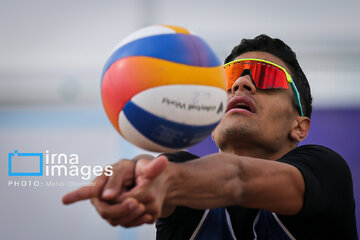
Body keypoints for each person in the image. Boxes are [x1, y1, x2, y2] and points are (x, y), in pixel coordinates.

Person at [62, 35, 358, 239]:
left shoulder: (327, 171)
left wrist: (168, 181)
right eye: (227, 79)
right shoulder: (180, 174)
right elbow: (165, 170)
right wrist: (136, 173)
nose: (242, 83)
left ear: (300, 126)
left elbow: (239, 178)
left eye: (266, 76)